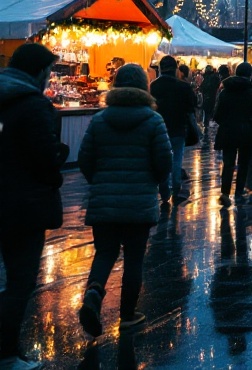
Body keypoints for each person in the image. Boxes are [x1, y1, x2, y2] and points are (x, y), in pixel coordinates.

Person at [77, 64, 172, 338]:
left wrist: (100, 181)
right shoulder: (153, 120)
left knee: (105, 253)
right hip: (138, 203)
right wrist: (151, 181)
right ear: (145, 86)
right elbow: (164, 161)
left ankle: (94, 294)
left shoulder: (100, 119)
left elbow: (85, 159)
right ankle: (127, 316)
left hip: (104, 201)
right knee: (134, 258)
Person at [0, 44, 65, 370]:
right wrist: (57, 167)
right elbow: (45, 159)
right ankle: (7, 354)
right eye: (49, 72)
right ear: (39, 72)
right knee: (20, 281)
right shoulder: (34, 105)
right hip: (23, 205)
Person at [213, 62, 252, 205]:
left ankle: (224, 193)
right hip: (246, 131)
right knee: (243, 163)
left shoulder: (225, 92)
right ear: (250, 75)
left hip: (228, 131)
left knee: (228, 163)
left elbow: (217, 115)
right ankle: (239, 192)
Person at [149, 55, 197, 208]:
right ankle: (176, 190)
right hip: (178, 127)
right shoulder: (183, 86)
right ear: (175, 68)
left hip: (159, 127)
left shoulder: (153, 86)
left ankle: (164, 193)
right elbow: (191, 108)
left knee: (162, 159)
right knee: (176, 160)